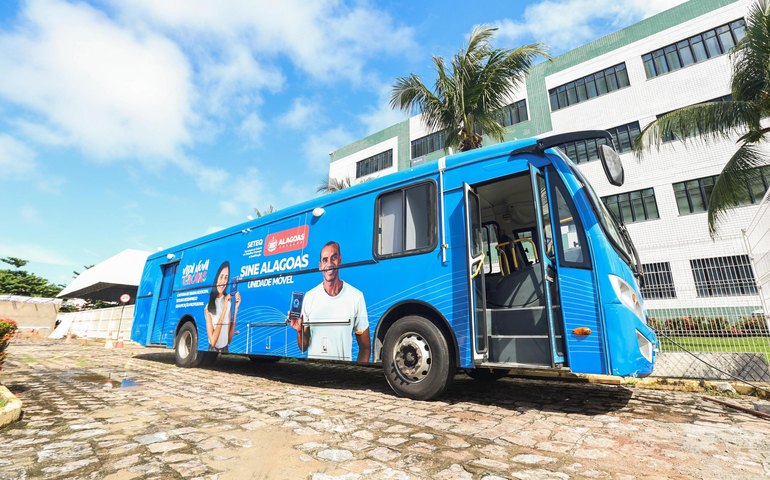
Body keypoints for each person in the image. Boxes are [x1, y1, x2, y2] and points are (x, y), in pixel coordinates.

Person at [289, 241, 370, 362]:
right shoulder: (310, 297)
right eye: (325, 260)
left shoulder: (356, 296)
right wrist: (300, 331)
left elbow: (365, 347)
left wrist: (356, 372)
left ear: (340, 260)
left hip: (342, 374)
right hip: (315, 373)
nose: (330, 264)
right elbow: (303, 347)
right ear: (320, 265)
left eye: (334, 258)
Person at [204, 261, 240, 353]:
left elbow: (229, 340)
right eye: (221, 277)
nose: (223, 281)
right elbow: (213, 342)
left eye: (226, 278)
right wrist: (224, 308)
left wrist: (236, 309)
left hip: (225, 348)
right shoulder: (208, 307)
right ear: (216, 279)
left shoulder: (228, 301)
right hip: (213, 349)